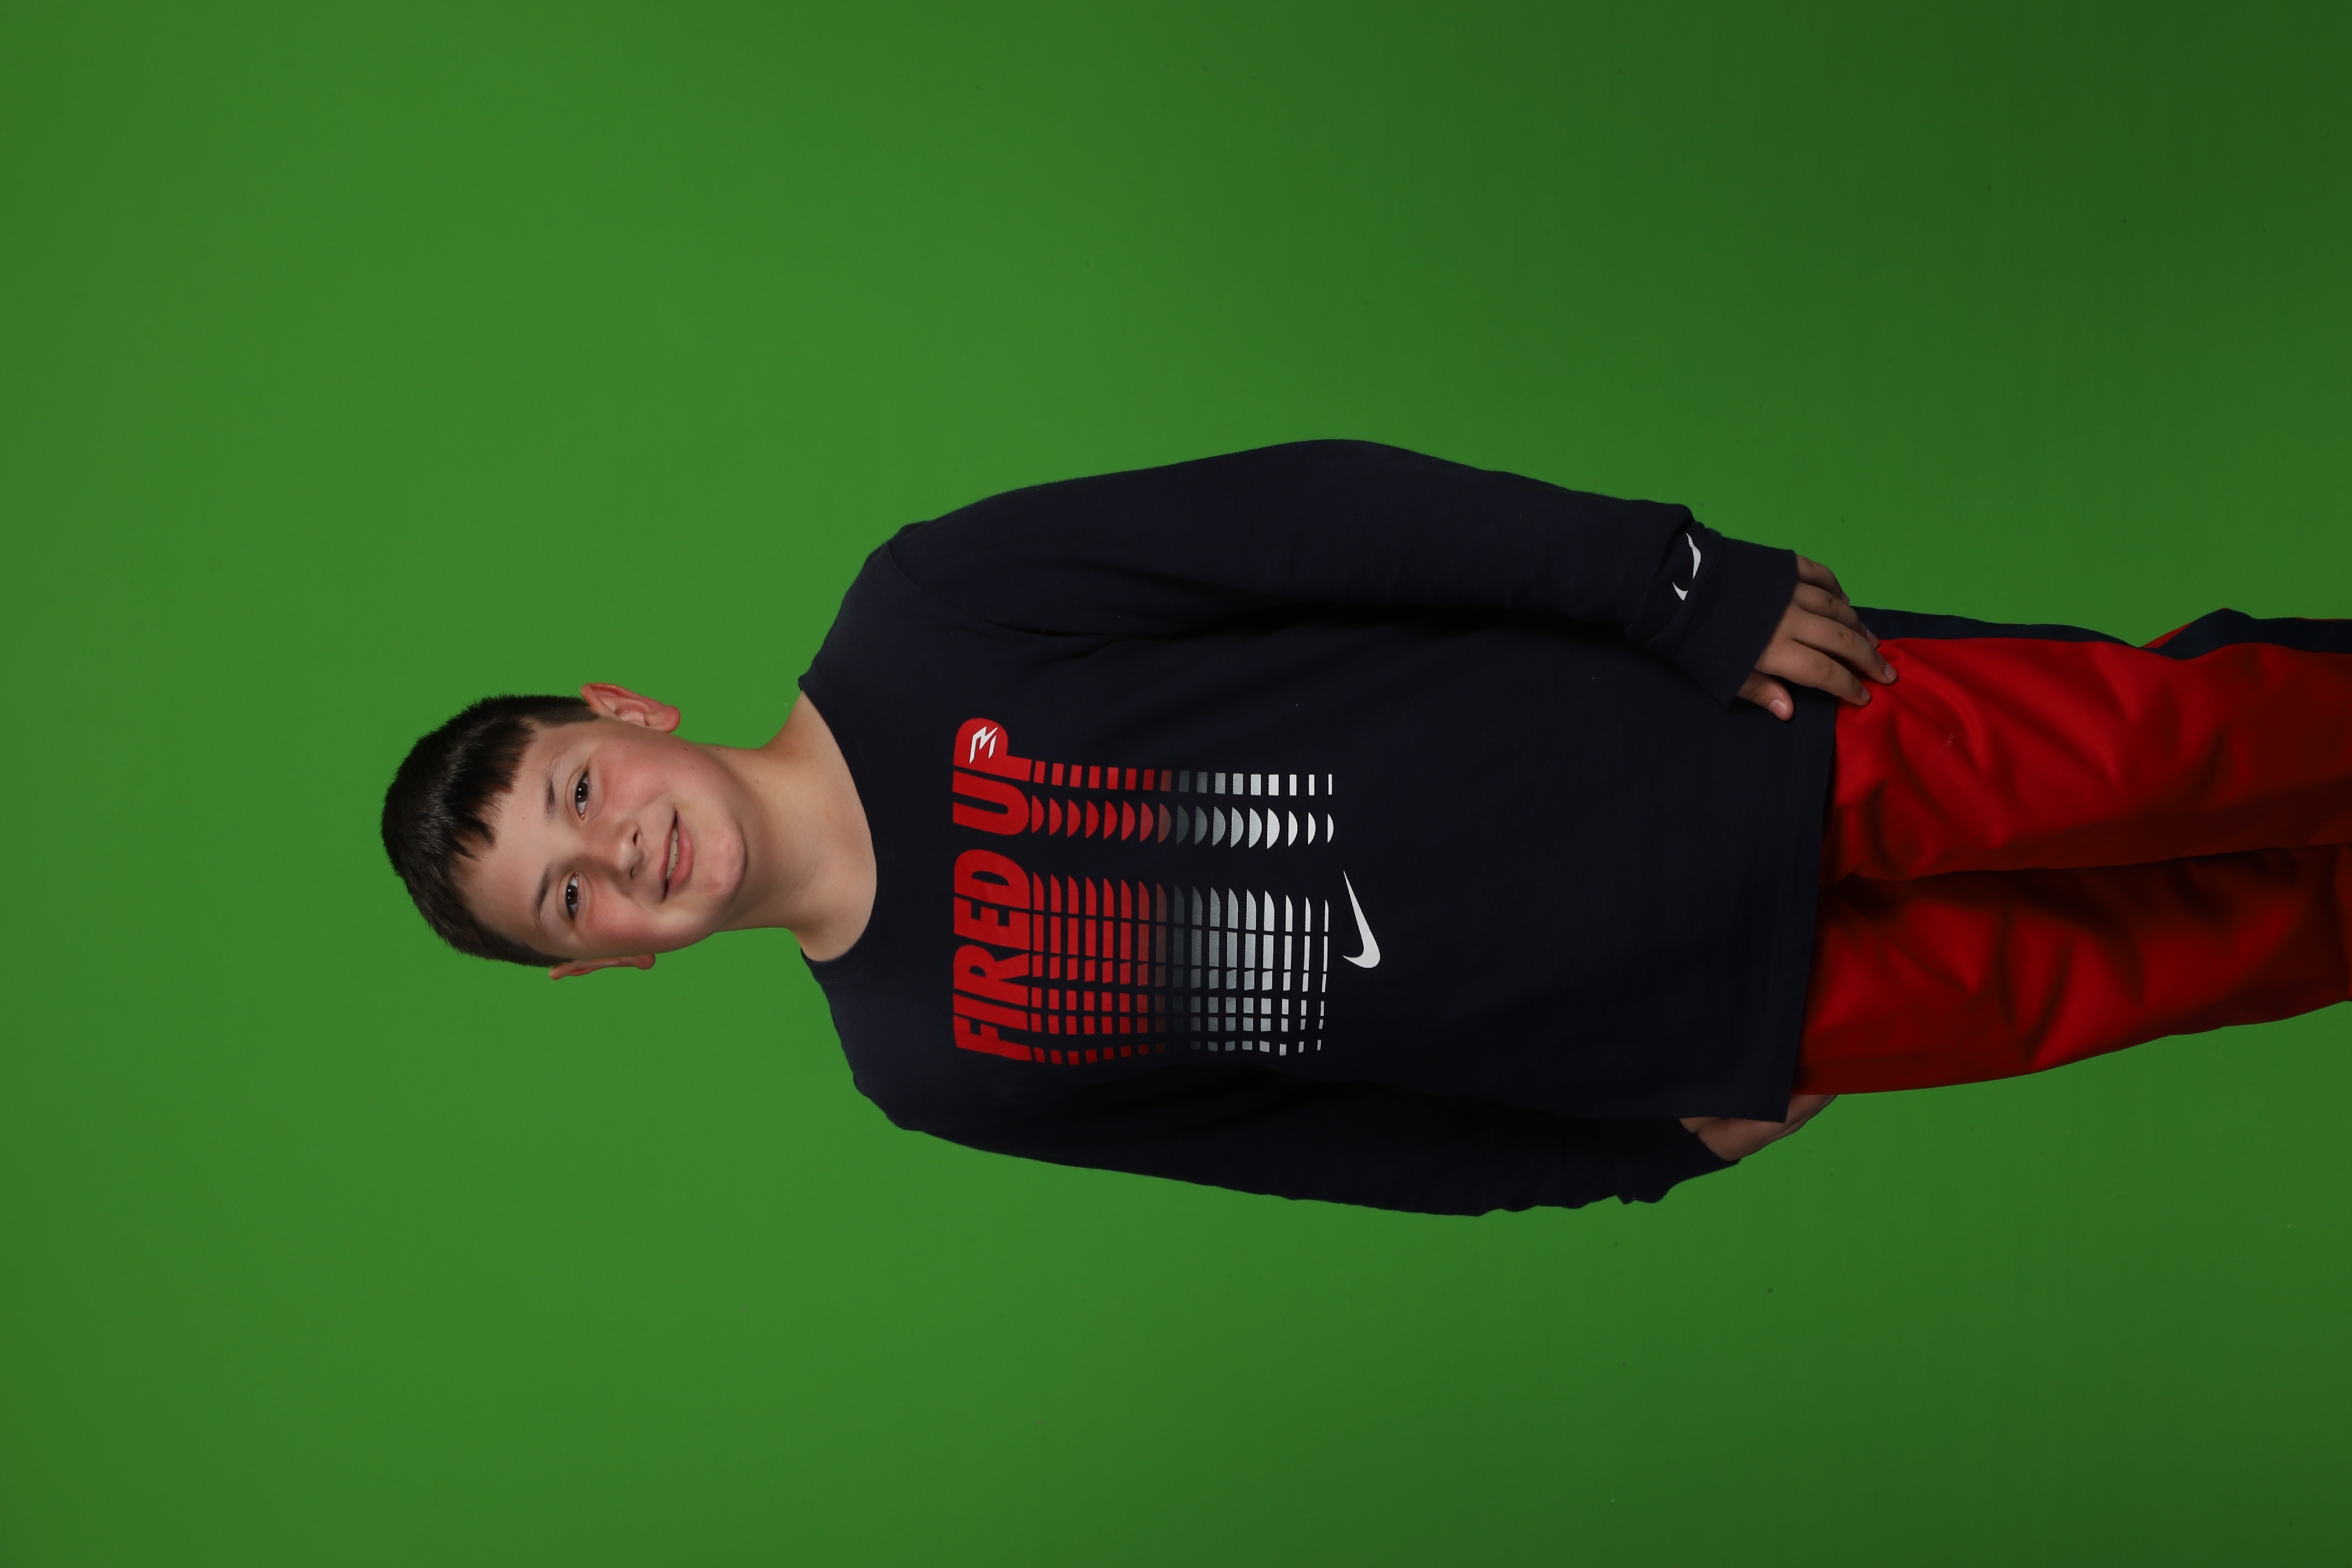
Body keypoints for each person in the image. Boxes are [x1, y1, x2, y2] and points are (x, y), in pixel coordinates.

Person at [380, 441, 2352, 1215]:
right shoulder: (925, 1064)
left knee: (2196, 750)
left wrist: (1674, 585)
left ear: (624, 714)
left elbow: (1322, 519)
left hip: (1727, 740)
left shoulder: (930, 611)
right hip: (1706, 1024)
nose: (621, 854)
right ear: (592, 967)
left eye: (580, 792)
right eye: (571, 900)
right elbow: (1317, 1145)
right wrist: (1624, 1158)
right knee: (2201, 959)